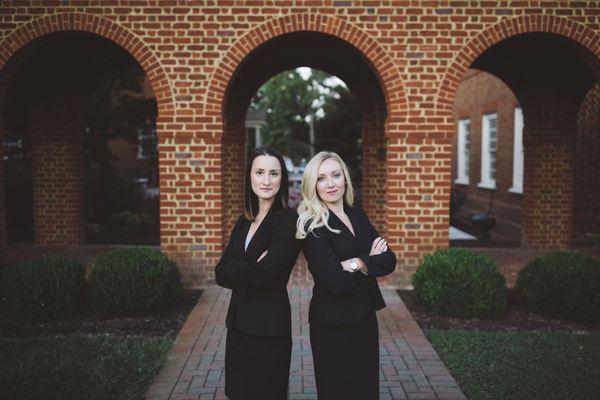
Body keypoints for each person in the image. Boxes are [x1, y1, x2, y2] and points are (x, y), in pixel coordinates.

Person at [296, 151, 396, 400]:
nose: (330, 184)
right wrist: (368, 262)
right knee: (338, 392)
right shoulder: (312, 225)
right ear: (312, 184)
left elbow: (388, 260)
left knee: (366, 389)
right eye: (321, 178)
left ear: (345, 179)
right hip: (333, 324)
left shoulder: (356, 214)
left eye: (335, 175)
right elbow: (335, 282)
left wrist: (356, 262)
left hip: (364, 317)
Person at [215, 147, 301, 400]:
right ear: (249, 177)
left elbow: (265, 276)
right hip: (238, 324)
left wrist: (240, 268)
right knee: (238, 393)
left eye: (273, 173)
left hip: (268, 328)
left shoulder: (288, 221)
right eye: (259, 172)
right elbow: (220, 272)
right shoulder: (244, 221)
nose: (266, 180)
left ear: (282, 179)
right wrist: (252, 267)